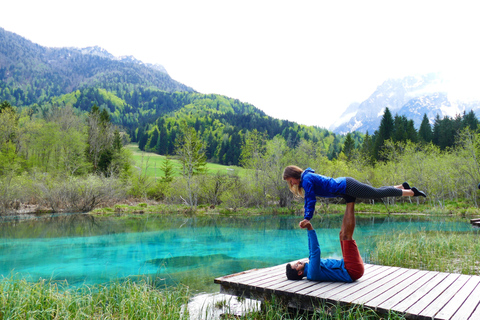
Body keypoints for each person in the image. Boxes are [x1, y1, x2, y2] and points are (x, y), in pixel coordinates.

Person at [282, 165, 426, 227]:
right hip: (344, 188)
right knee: (375, 191)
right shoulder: (306, 178)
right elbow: (310, 197)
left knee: (376, 194)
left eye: (290, 181)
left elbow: (310, 199)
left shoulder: (306, 179)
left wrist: (307, 217)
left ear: (294, 175)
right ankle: (402, 186)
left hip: (347, 185)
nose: (292, 184)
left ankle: (411, 192)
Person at [286, 202, 364, 282]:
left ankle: (349, 201)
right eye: (296, 265)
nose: (298, 262)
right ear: (300, 273)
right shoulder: (312, 272)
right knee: (346, 236)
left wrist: (308, 230)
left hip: (347, 265)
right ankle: (350, 201)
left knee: (342, 235)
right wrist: (310, 228)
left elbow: (311, 250)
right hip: (351, 271)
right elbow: (315, 251)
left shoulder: (311, 268)